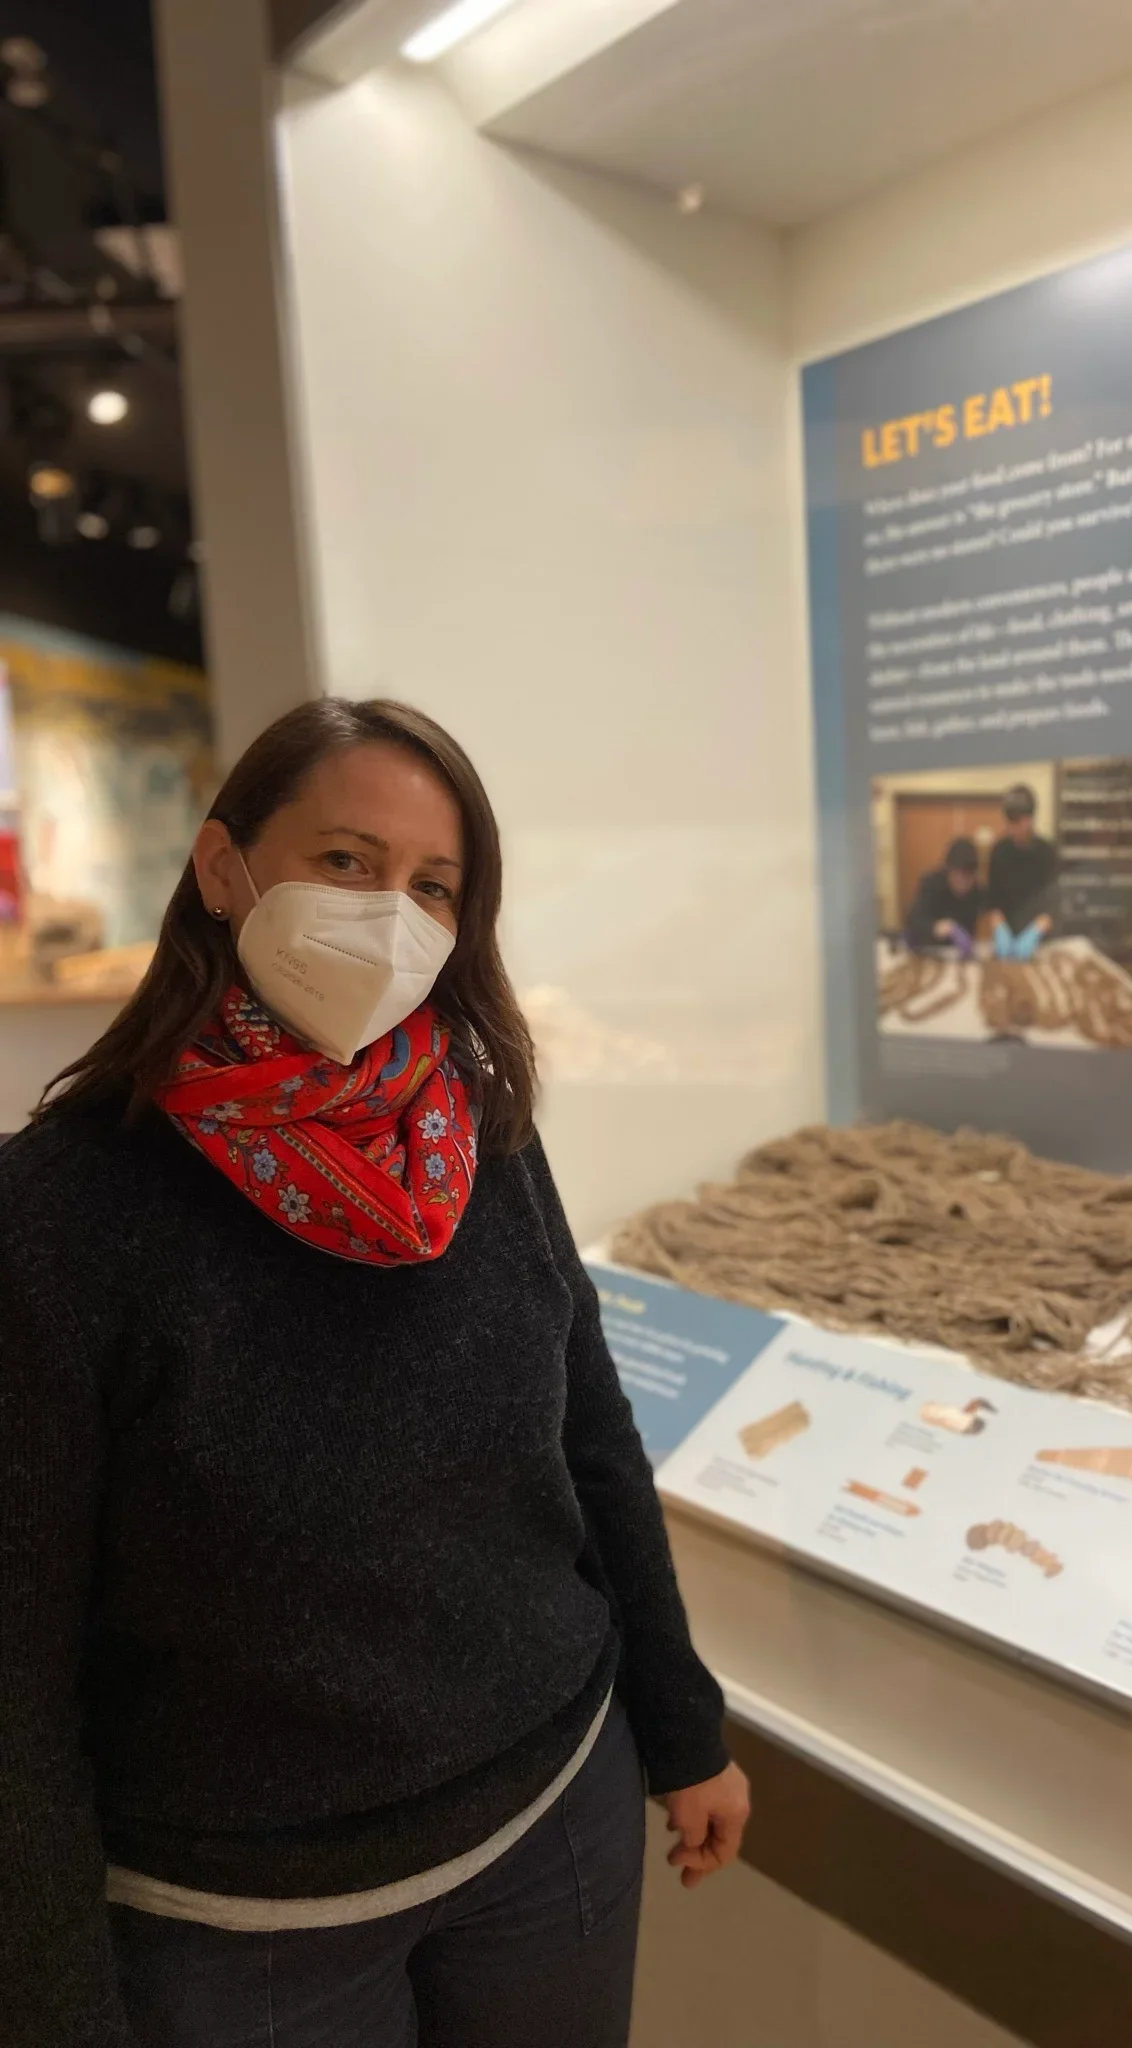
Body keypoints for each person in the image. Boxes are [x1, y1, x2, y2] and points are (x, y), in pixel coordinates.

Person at [0, 697, 750, 2048]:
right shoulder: (65, 1212)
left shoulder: (477, 1132)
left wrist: (683, 1723)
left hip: (553, 1828)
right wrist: (55, 2005)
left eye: (434, 885)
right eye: (346, 861)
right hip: (243, 1931)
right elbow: (18, 1662)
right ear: (225, 871)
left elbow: (588, 1433)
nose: (390, 915)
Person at [986, 785, 1059, 961]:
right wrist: (999, 928)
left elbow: (1053, 905)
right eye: (1009, 823)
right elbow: (992, 900)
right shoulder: (999, 851)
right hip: (1007, 942)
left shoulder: (1047, 852)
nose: (1012, 829)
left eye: (1017, 823)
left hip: (1038, 943)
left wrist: (1034, 932)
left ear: (1030, 819)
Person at [902, 835, 983, 952]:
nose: (962, 885)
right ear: (948, 871)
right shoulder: (931, 883)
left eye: (968, 879)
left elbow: (969, 930)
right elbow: (913, 921)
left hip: (956, 953)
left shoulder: (976, 891)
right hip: (927, 949)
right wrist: (936, 927)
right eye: (958, 878)